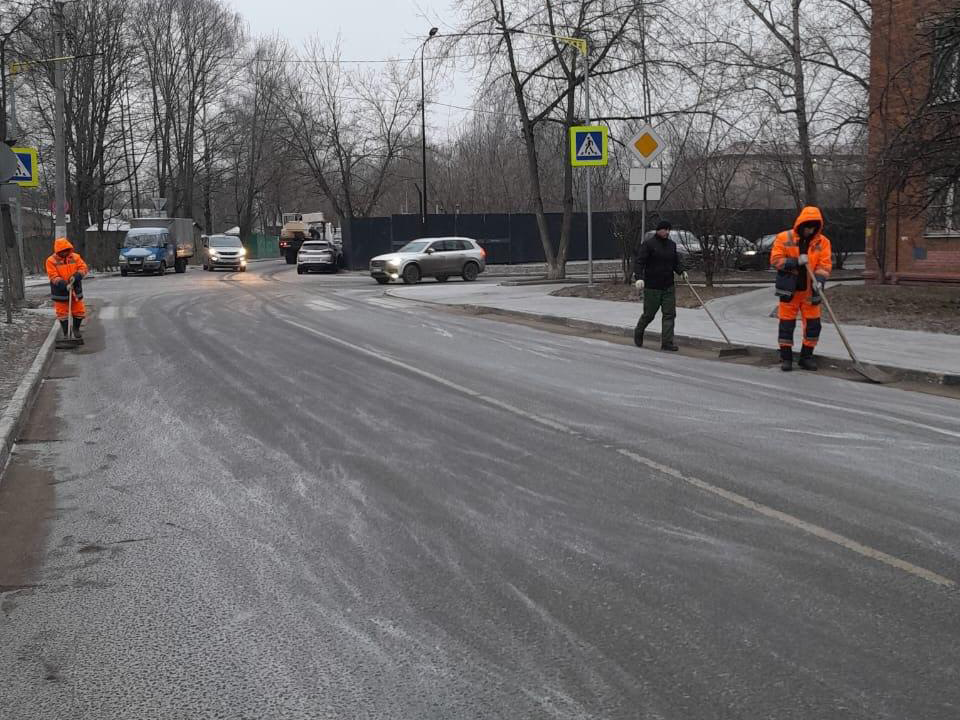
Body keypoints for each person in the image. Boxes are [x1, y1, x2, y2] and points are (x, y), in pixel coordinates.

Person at [770, 206, 832, 372]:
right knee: (786, 324)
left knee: (813, 325)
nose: (809, 230)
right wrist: (796, 261)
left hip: (810, 292)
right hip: (789, 290)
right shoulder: (784, 237)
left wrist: (819, 280)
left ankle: (806, 357)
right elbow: (776, 260)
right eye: (807, 226)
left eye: (813, 227)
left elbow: (824, 265)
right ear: (800, 224)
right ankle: (786, 358)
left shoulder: (823, 242)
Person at [633, 220, 687, 351]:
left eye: (668, 229)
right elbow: (639, 262)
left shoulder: (671, 245)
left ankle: (667, 342)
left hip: (668, 285)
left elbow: (675, 262)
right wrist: (639, 278)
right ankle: (638, 331)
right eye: (664, 229)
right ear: (658, 230)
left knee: (669, 314)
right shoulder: (649, 245)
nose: (667, 232)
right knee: (649, 314)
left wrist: (682, 271)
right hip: (652, 286)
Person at [46, 237, 88, 343]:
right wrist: (64, 285)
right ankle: (66, 333)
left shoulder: (75, 257)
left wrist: (76, 276)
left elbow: (83, 268)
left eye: (66, 250)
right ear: (58, 251)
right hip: (59, 291)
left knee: (79, 311)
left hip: (75, 289)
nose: (65, 253)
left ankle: (76, 329)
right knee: (62, 313)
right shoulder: (51, 261)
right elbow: (53, 276)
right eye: (62, 251)